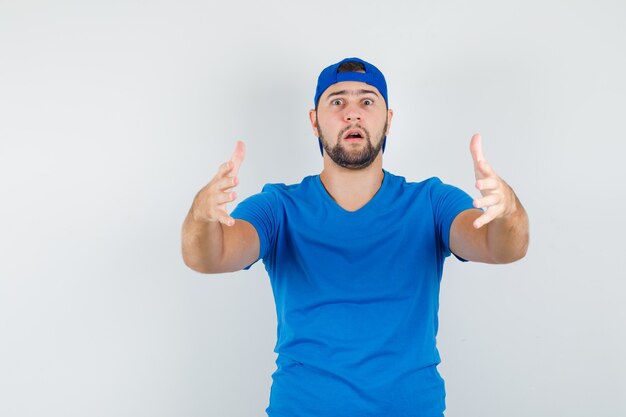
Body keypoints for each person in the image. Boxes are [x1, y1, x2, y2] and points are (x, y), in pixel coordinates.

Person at [181, 57, 529, 417]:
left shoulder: (431, 201)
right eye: (337, 102)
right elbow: (210, 256)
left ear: (388, 120)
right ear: (314, 121)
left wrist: (508, 211)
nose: (352, 114)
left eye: (366, 101)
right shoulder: (278, 207)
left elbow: (500, 246)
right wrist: (201, 216)